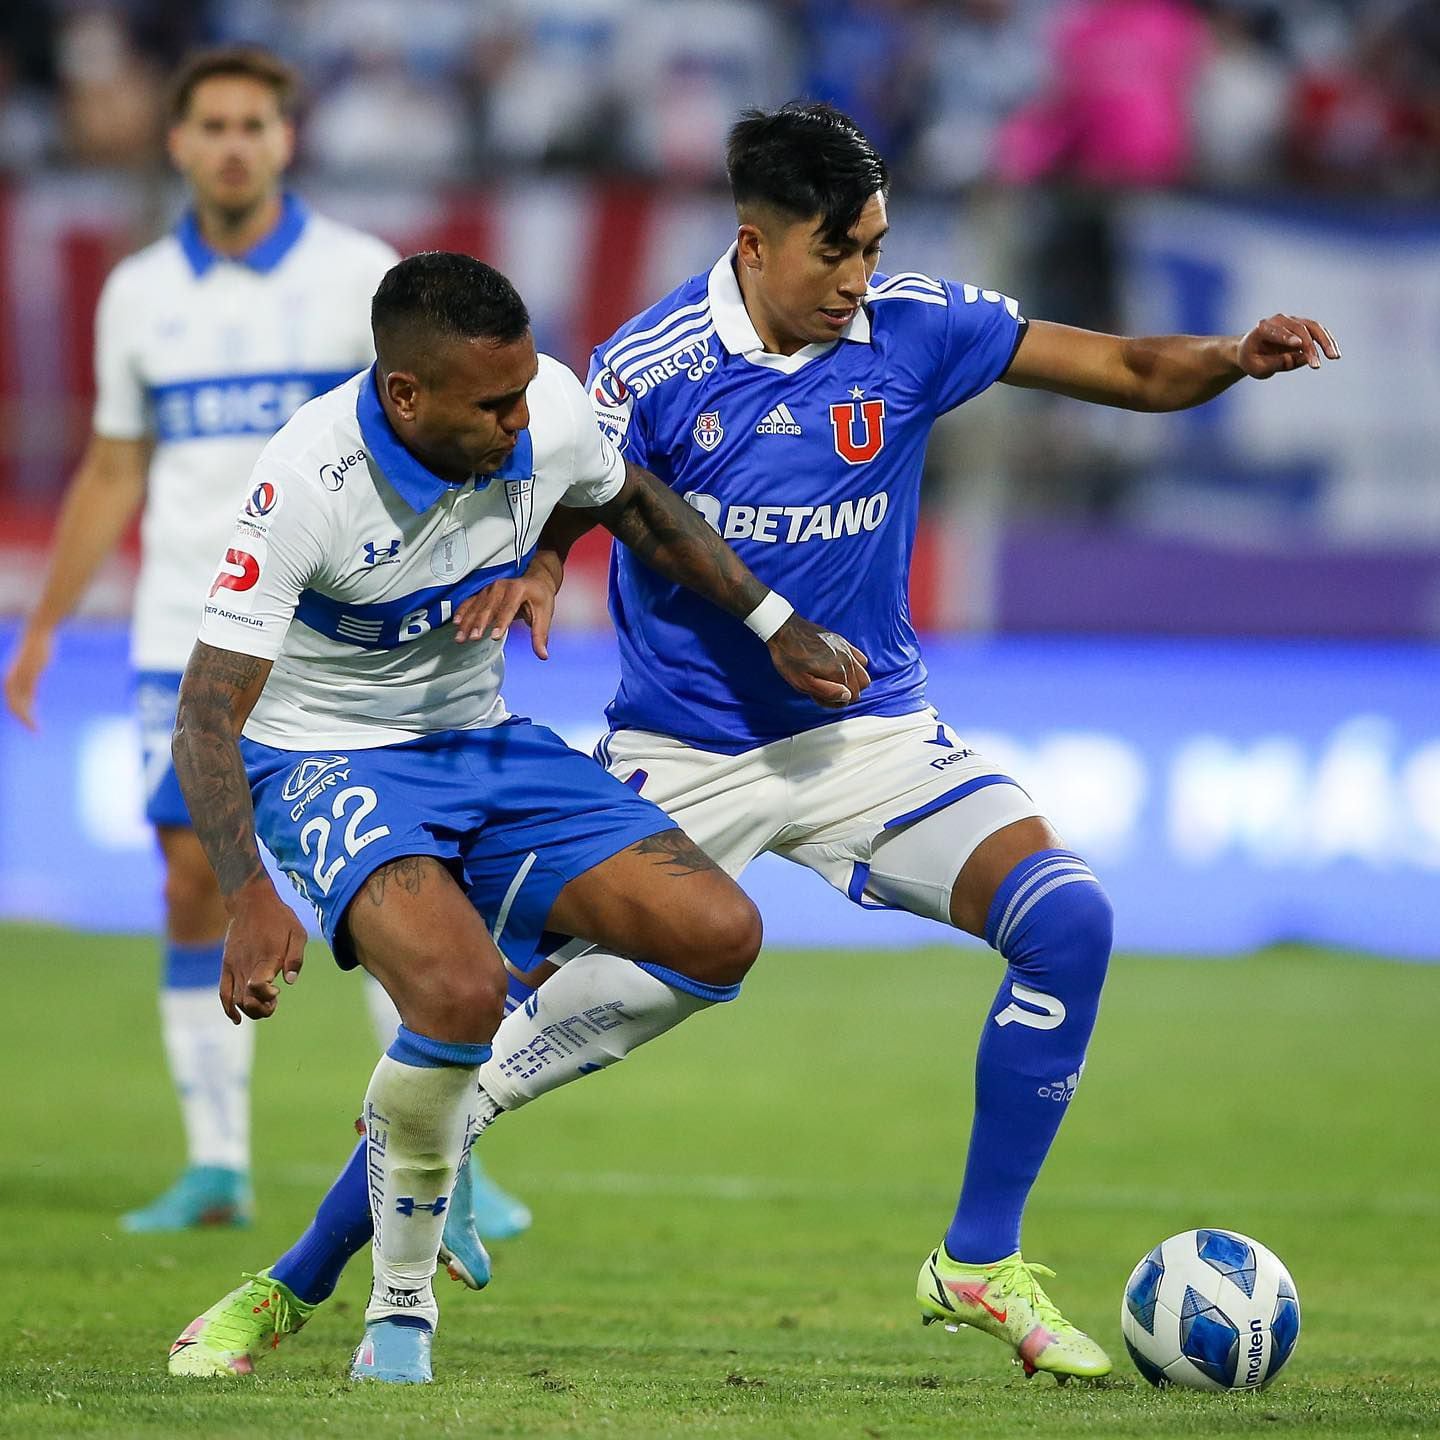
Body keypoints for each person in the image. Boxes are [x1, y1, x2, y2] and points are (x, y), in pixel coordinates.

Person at [167, 102, 1339, 1385]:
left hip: (866, 730)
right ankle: (300, 1281)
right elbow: (583, 483)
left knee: (1069, 918)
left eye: (874, 246)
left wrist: (1233, 354)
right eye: (837, 252)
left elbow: (1124, 370)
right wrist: (549, 566)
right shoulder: (646, 364)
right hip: (682, 750)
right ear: (756, 244)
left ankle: (976, 1262)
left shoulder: (917, 324)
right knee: (462, 1017)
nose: (859, 279)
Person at [164, 250, 863, 1383]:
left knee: (717, 934)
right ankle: (392, 1309)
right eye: (491, 404)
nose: (519, 417)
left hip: (479, 740)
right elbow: (205, 714)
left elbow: (626, 498)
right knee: (455, 991)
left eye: (523, 390)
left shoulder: (543, 408)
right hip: (325, 759)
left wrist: (771, 620)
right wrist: (251, 891)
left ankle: (452, 1111)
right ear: (406, 396)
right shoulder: (306, 480)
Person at [0, 45, 529, 1243]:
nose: (233, 143)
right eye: (212, 125)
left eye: (254, 124)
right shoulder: (137, 291)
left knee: (396, 880)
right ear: (179, 144)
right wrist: (40, 628)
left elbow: (438, 441)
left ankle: (448, 1143)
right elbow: (116, 465)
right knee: (193, 879)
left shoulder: (365, 279)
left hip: (334, 634)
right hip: (179, 634)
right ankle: (218, 1165)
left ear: (286, 139)